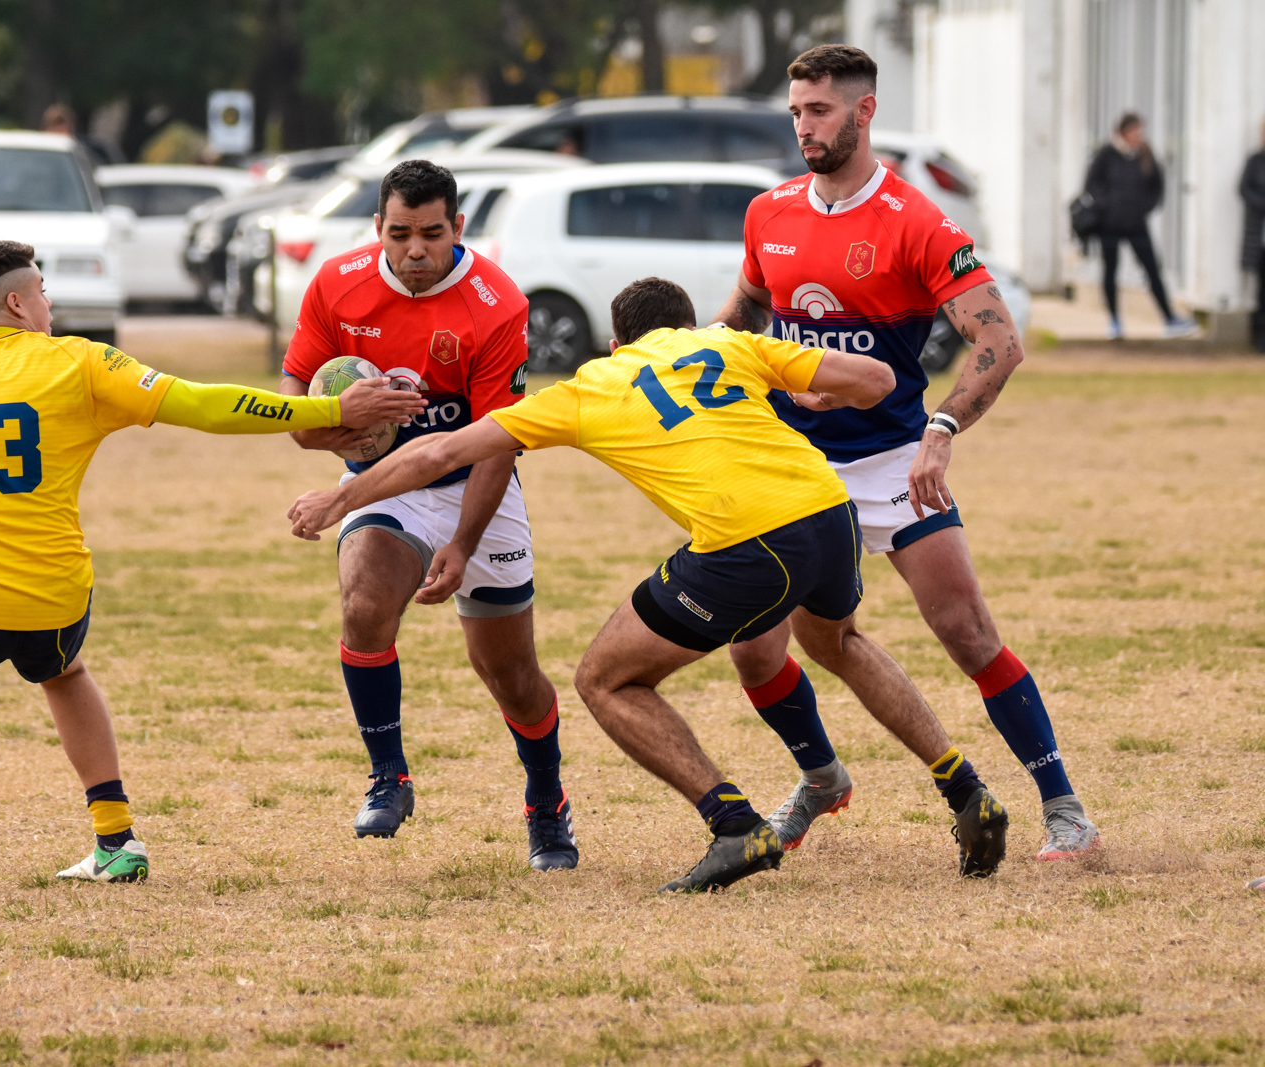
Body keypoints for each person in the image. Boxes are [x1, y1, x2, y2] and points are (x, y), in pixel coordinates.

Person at [0, 239, 423, 891]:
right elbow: (205, 405)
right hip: (60, 602)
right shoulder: (83, 363)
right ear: (15, 306)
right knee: (62, 668)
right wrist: (328, 408)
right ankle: (116, 840)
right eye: (42, 291)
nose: (49, 305)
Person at [289, 278, 1012, 890]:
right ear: (687, 326)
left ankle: (735, 824)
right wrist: (816, 397)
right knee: (841, 641)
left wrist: (341, 499)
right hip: (828, 515)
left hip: (746, 541)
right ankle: (964, 785)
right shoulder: (729, 344)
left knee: (605, 678)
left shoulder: (592, 385)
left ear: (616, 344)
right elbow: (877, 381)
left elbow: (442, 450)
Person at [709, 43, 1100, 862]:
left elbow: (999, 342)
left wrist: (942, 429)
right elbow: (740, 319)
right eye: (796, 112)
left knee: (966, 631)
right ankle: (821, 777)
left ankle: (1064, 806)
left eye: (818, 111)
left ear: (863, 111)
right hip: (795, 470)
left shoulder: (917, 222)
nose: (803, 127)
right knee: (755, 648)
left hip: (893, 459)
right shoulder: (768, 213)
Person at [277, 160, 577, 870]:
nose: (416, 251)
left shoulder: (495, 302)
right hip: (384, 486)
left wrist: (464, 543)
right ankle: (390, 775)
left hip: (478, 481)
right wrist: (340, 419)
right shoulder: (337, 284)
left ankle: (546, 798)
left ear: (458, 229)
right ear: (377, 227)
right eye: (401, 233)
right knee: (365, 603)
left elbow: (496, 442)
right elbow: (297, 409)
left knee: (510, 673)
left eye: (432, 234)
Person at [1084, 112, 1198, 340]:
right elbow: (1091, 184)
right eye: (1134, 132)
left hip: (1136, 224)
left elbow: (1157, 187)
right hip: (1110, 225)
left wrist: (1143, 207)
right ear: (1123, 132)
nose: (1139, 136)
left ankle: (1169, 318)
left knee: (1152, 270)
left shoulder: (1146, 155)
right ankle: (1114, 320)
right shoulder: (1106, 154)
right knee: (1111, 272)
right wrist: (1109, 206)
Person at [1239, 119, 1265, 353]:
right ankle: (1260, 339)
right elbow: (1244, 189)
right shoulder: (1255, 161)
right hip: (1260, 237)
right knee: (1261, 290)